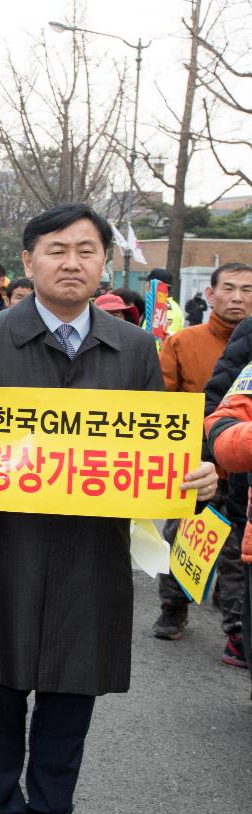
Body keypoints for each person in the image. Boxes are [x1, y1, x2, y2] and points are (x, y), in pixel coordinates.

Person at [0, 203, 217, 814]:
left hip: (91, 550)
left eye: (87, 250)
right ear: (31, 260)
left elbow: (159, 447)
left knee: (73, 689)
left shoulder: (134, 348)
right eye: (58, 249)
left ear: (104, 261)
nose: (73, 262)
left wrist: (196, 475)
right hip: (7, 545)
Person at [153, 262, 252, 666]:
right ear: (210, 294)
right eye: (228, 288)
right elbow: (164, 402)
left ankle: (236, 629)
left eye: (247, 290)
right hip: (195, 459)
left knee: (234, 552)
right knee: (184, 538)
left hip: (241, 468)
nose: (237, 298)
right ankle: (172, 607)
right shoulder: (184, 342)